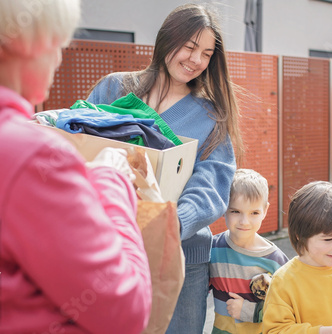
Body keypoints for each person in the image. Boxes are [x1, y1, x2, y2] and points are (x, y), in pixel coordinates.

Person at [0, 1, 152, 333]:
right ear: (24, 41)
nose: (59, 59)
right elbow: (125, 310)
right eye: (58, 45)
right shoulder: (33, 158)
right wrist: (111, 180)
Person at [85, 3, 243, 333]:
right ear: (167, 40)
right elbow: (82, 143)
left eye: (207, 53)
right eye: (189, 47)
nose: (196, 60)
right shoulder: (116, 89)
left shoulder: (211, 115)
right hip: (111, 246)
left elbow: (212, 182)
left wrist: (170, 224)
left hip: (182, 254)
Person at [262, 181, 332, 334]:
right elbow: (275, 330)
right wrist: (322, 331)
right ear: (299, 236)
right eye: (328, 239)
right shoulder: (283, 281)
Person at [209, 169, 289, 334]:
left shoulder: (276, 260)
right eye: (236, 211)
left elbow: (287, 310)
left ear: (265, 211)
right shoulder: (212, 249)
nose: (244, 222)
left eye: (254, 213)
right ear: (224, 207)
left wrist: (250, 311)